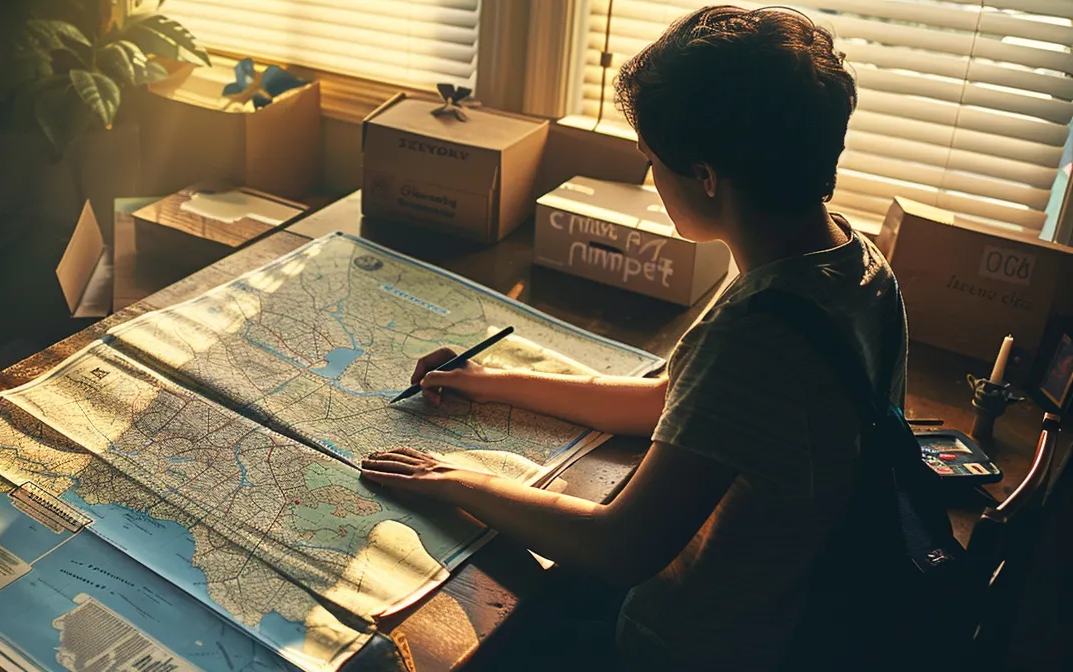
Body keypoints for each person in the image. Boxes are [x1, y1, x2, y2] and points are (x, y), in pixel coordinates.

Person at [359, 6, 907, 669]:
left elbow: (623, 546)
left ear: (706, 176)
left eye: (652, 161)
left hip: (692, 648)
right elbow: (666, 403)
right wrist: (482, 382)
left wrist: (453, 479)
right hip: (808, 617)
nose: (651, 179)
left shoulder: (758, 332)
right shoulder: (852, 264)